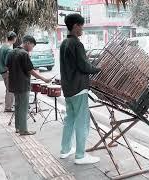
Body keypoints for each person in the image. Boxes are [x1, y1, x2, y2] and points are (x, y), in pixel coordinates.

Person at [59, 14, 101, 164]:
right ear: (76, 26)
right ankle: (80, 155)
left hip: (68, 89)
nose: (82, 28)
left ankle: (65, 150)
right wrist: (97, 69)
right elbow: (84, 66)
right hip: (78, 88)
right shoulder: (76, 44)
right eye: (81, 25)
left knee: (69, 119)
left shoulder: (64, 43)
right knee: (82, 122)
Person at [6, 35, 52, 136]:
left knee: (17, 106)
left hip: (14, 83)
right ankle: (23, 130)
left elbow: (7, 67)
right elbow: (30, 70)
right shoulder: (24, 54)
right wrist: (44, 79)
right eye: (32, 46)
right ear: (27, 43)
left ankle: (18, 127)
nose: (32, 48)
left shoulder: (11, 52)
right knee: (23, 107)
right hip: (22, 84)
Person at [0, 31, 17, 112]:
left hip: (2, 71)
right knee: (10, 90)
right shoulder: (9, 49)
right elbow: (7, 63)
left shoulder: (3, 47)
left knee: (8, 89)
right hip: (7, 72)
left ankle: (9, 106)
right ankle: (8, 107)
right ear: (14, 38)